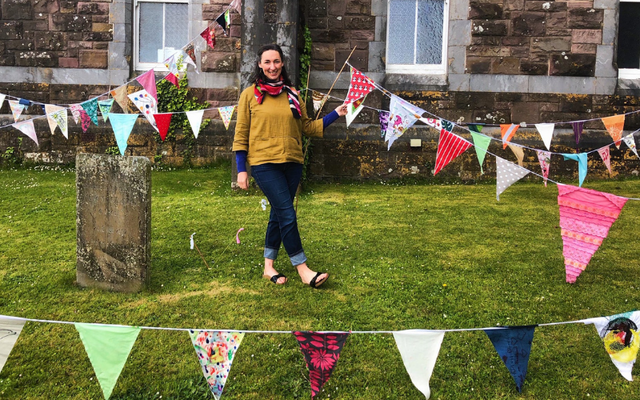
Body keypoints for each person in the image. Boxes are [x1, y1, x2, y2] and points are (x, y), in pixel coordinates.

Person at [233, 44, 348, 288]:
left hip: (292, 162)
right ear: (260, 65)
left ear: (282, 63)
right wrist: (241, 169)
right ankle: (303, 269)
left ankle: (268, 267)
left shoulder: (293, 94)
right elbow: (241, 134)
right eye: (267, 62)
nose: (272, 67)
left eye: (276, 61)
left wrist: (335, 114)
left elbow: (307, 128)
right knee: (286, 212)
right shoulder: (249, 95)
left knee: (278, 213)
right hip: (264, 163)